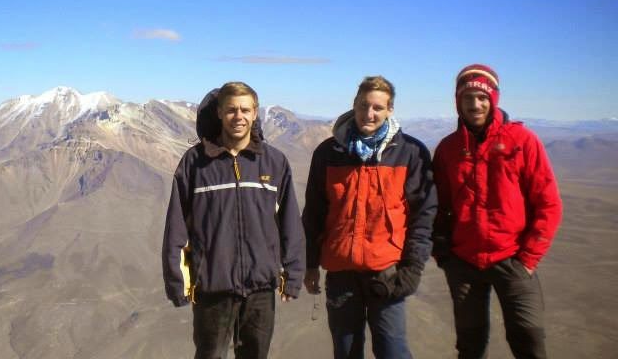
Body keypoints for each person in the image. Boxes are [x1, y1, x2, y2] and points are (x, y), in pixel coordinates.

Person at [162, 81, 304, 359]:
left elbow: (290, 223)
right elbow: (177, 226)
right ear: (219, 113)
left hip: (260, 288)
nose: (238, 116)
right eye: (231, 110)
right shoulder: (195, 163)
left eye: (244, 110)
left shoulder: (274, 162)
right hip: (212, 288)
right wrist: (178, 283)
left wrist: (294, 274)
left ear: (255, 113)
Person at [432, 64, 562, 359]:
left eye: (482, 97)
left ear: (494, 100)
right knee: (470, 344)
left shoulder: (522, 141)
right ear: (458, 101)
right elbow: (436, 204)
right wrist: (442, 251)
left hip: (513, 258)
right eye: (467, 97)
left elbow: (548, 203)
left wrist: (528, 258)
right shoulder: (448, 149)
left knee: (528, 339)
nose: (475, 104)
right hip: (463, 261)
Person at [302, 76, 437, 359]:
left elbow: (423, 216)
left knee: (392, 350)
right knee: (346, 350)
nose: (369, 113)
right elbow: (314, 212)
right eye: (364, 105)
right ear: (354, 105)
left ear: (390, 110)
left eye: (378, 107)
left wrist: (412, 270)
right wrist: (310, 263)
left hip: (388, 271)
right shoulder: (328, 153)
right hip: (340, 271)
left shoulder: (410, 153)